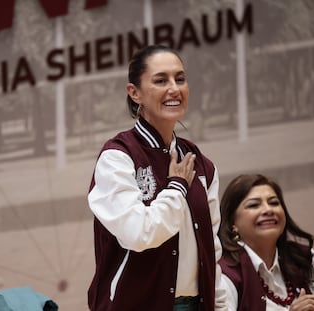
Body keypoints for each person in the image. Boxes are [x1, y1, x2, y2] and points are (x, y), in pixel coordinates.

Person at [87, 44, 227, 311]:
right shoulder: (118, 157)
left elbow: (212, 251)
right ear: (134, 92)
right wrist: (176, 188)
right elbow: (138, 234)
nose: (174, 88)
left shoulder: (200, 164)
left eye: (180, 79)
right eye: (161, 80)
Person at [218, 174, 314, 310]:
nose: (268, 210)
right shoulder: (225, 274)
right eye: (254, 205)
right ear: (232, 223)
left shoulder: (300, 257)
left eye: (274, 203)